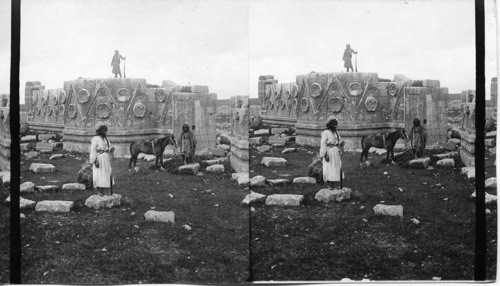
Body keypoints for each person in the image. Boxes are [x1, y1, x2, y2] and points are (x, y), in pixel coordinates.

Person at [90, 124, 115, 195]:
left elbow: (108, 146)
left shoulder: (105, 139)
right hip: (99, 158)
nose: (105, 133)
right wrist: (94, 160)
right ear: (100, 131)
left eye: (106, 131)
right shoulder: (95, 138)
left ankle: (103, 189)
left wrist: (111, 149)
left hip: (105, 158)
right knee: (98, 173)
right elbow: (93, 150)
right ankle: (98, 190)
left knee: (105, 174)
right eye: (104, 131)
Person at [319, 118, 344, 189]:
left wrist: (341, 143)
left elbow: (338, 141)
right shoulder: (325, 132)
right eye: (334, 125)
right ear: (330, 125)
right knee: (328, 167)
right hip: (328, 151)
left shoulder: (335, 132)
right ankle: (328, 184)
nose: (335, 127)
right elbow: (323, 144)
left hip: (335, 152)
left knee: (335, 167)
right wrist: (323, 154)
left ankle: (332, 183)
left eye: (336, 125)